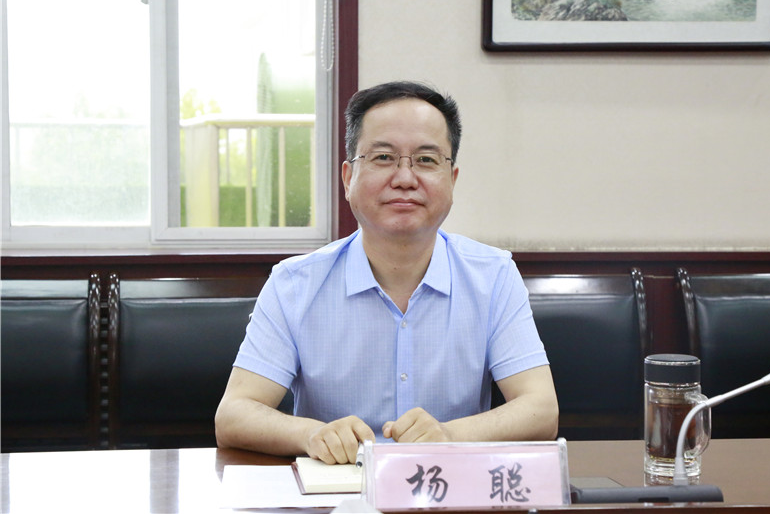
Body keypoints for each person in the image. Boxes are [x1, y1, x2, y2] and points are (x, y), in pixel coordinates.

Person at [215, 81, 558, 464]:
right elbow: (234, 414)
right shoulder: (294, 284)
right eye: (383, 157)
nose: (405, 178)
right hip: (337, 488)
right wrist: (311, 434)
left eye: (426, 160)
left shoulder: (493, 276)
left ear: (452, 180)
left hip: (449, 486)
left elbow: (541, 409)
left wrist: (449, 436)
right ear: (348, 178)